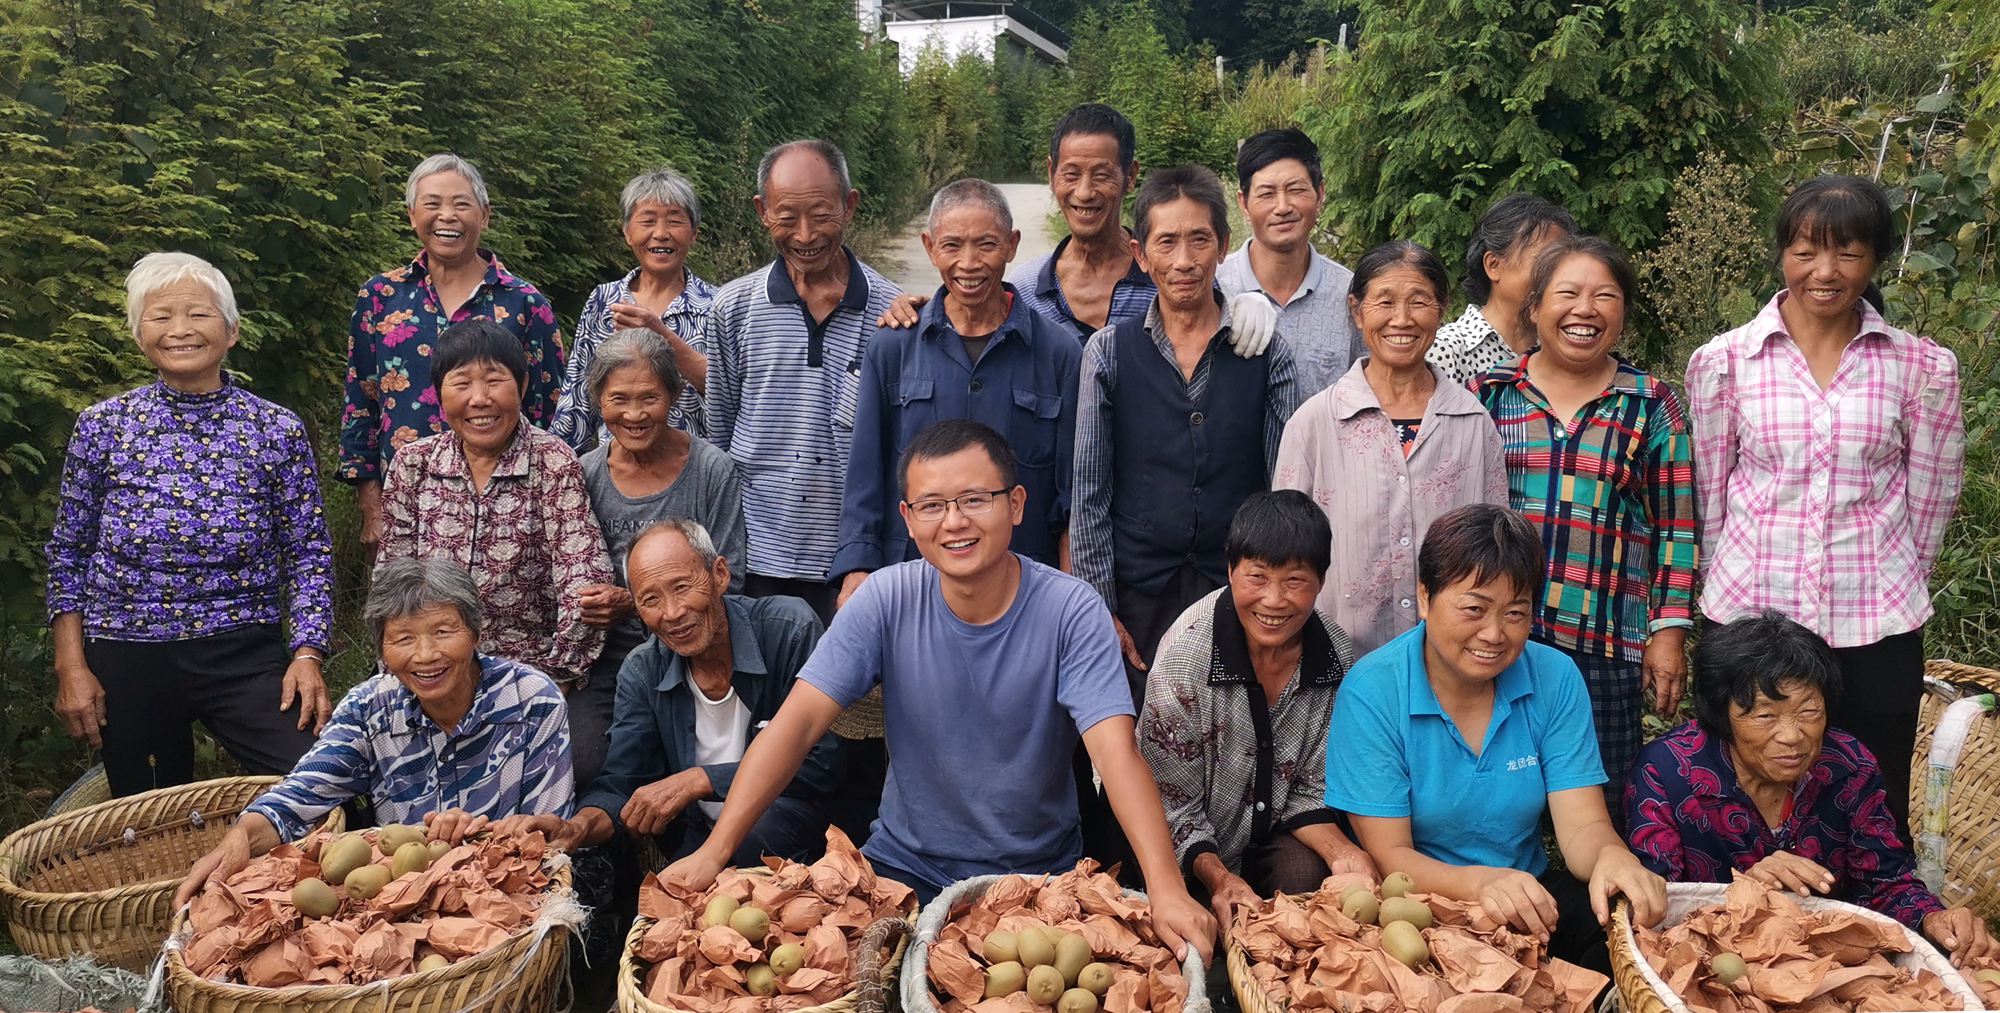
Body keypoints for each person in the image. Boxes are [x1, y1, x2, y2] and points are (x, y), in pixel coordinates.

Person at [660, 420, 1217, 964]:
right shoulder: (885, 599)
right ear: (907, 517)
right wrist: (715, 850)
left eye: (976, 499)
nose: (954, 522)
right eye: (932, 505)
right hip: (901, 870)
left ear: (1017, 504)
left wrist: (1166, 886)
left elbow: (1115, 753)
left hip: (1037, 878)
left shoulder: (1072, 611)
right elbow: (796, 725)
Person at [1686, 174, 1963, 831]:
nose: (1826, 271)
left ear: (1875, 260)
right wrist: (1724, 583)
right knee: (1743, 793)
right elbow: (1711, 494)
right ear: (1782, 253)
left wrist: (1888, 579)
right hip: (1752, 613)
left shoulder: (1921, 368)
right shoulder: (1726, 362)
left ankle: (1877, 923)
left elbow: (1931, 498)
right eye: (1806, 251)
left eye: (1848, 253)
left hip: (1874, 624)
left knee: (1871, 794)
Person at [1327, 503, 1667, 972]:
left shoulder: (1554, 677)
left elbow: (1583, 826)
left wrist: (1612, 857)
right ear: (1425, 598)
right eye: (1474, 608)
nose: (1493, 634)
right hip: (1419, 906)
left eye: (1515, 613)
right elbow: (1391, 855)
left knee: (1623, 944)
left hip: (1528, 893)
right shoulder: (1373, 691)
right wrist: (1481, 884)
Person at [45, 252, 331, 797]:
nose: (180, 330)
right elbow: (69, 551)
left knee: (319, 783)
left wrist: (307, 654)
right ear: (138, 334)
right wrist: (71, 665)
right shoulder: (103, 427)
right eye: (160, 316)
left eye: (198, 314)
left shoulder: (275, 429)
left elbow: (309, 553)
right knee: (149, 811)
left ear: (231, 331)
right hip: (127, 653)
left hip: (242, 651)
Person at [174, 557, 574, 907]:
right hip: (400, 902)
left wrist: (480, 835)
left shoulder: (531, 700)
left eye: (442, 632)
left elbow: (550, 836)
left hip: (511, 895)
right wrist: (242, 835)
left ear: (475, 633)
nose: (425, 655)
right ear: (382, 651)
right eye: (403, 638)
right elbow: (302, 793)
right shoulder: (368, 710)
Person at [1625, 611, 1998, 966]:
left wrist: (1934, 918)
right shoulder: (1667, 771)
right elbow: (1655, 909)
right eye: (1765, 715)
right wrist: (1744, 891)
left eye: (1809, 713)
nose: (1792, 737)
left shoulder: (1849, 764)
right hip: (1710, 965)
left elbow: (1885, 882)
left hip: (1830, 960)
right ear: (1723, 716)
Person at [1472, 236, 1697, 790]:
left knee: (1601, 794)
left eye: (1605, 296)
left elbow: (1677, 527)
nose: (1585, 310)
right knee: (1500, 792)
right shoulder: (1492, 394)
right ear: (1535, 307)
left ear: (1623, 311)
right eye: (1567, 293)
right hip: (1500, 635)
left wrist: (1667, 633)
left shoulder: (1649, 403)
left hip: (1603, 638)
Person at [1073, 164, 1302, 693]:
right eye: (1166, 242)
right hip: (1138, 600)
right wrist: (1098, 609)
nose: (1183, 261)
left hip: (1238, 597)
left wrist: (1274, 596)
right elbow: (1089, 497)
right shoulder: (1109, 353)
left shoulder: (1266, 353)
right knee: (1139, 752)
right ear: (1140, 253)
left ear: (1223, 246)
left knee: (1235, 753)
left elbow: (1283, 490)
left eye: (1199, 239)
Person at [517, 520, 837, 865]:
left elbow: (823, 764)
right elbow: (623, 780)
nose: (672, 613)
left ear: (720, 574)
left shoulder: (789, 630)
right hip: (697, 834)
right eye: (650, 599)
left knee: (757, 827)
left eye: (682, 587)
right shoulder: (643, 670)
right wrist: (577, 827)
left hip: (788, 828)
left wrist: (700, 780)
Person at [378, 320, 615, 777]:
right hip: (432, 664)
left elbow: (582, 582)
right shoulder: (414, 465)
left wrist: (555, 680)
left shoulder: (551, 461)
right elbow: (392, 583)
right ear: (439, 394)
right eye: (462, 383)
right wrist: (407, 667)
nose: (479, 399)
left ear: (522, 385)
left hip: (530, 665)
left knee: (582, 763)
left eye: (495, 380)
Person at [834, 178, 1079, 610]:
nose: (969, 263)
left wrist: (1070, 590)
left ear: (1012, 245)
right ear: (929, 247)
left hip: (1022, 583)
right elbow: (865, 473)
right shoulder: (893, 346)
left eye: (986, 245)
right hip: (912, 579)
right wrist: (858, 568)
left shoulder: (1059, 352)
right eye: (952, 245)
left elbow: (1071, 490)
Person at [1139, 490, 1371, 928]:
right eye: (1257, 577)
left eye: (1295, 581)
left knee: (1312, 877)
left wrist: (1345, 853)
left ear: (1321, 581)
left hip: (1270, 834)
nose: (1274, 600)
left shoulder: (1336, 657)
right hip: (1184, 845)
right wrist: (1220, 878)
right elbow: (1171, 807)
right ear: (1230, 572)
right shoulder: (1185, 662)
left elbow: (1311, 788)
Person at [1275, 241, 1508, 656]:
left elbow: (1497, 551)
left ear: (1442, 309)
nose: (1401, 319)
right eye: (1384, 302)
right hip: (1337, 660)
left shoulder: (1473, 424)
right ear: (1356, 309)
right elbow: (1285, 553)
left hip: (1449, 660)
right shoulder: (1313, 425)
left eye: (1419, 301)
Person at [702, 139, 899, 624]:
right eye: (787, 217)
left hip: (852, 564)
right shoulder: (733, 308)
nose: (805, 234)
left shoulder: (891, 316)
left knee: (849, 700)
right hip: (755, 558)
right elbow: (720, 439)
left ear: (850, 206)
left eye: (821, 214)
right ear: (762, 211)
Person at [339, 153, 566, 552]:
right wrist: (373, 509)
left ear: (485, 216)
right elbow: (360, 403)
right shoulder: (381, 297)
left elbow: (551, 411)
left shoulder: (525, 303)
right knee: (409, 613)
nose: (447, 216)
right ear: (412, 216)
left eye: (461, 204)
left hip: (507, 507)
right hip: (406, 505)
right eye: (433, 204)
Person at [573, 328, 748, 782]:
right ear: (597, 400)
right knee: (590, 761)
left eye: (649, 397)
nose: (633, 414)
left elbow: (734, 578)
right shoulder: (584, 474)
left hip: (695, 649)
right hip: (608, 658)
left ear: (674, 394)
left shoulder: (711, 469)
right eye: (618, 399)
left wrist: (634, 602)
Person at [552, 166, 719, 448]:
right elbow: (577, 399)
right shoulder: (605, 301)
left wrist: (662, 335)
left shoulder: (718, 306)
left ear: (694, 233)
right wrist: (558, 468)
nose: (661, 233)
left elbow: (731, 395)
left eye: (675, 221)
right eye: (648, 221)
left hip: (696, 473)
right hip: (617, 474)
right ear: (627, 232)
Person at [1217, 127, 1362, 396]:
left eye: (1296, 190)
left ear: (1320, 194)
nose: (1282, 207)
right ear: (1244, 203)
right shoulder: (1213, 287)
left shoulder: (1350, 294)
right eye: (1267, 193)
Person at [1427, 194, 1577, 383]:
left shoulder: (1560, 348)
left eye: (1562, 265)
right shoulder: (1446, 350)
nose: (1557, 278)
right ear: (1493, 265)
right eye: (1544, 262)